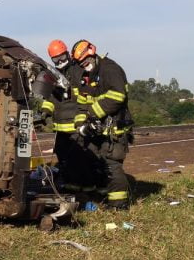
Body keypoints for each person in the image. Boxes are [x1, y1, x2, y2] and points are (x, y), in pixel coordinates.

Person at [69, 40, 133, 210]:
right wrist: (81, 123)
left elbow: (117, 97)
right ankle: (103, 197)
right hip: (97, 128)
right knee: (96, 163)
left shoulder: (110, 69)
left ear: (93, 53)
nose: (84, 65)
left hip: (115, 129)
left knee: (112, 165)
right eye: (81, 63)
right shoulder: (86, 77)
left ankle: (119, 205)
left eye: (86, 61)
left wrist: (92, 114)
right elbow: (82, 103)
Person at [40, 40, 90, 193]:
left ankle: (84, 188)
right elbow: (50, 98)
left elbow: (85, 95)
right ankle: (69, 186)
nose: (59, 61)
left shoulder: (78, 71)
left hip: (76, 125)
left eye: (61, 57)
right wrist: (44, 112)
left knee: (79, 158)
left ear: (67, 53)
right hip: (60, 126)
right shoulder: (54, 75)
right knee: (62, 156)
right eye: (55, 59)